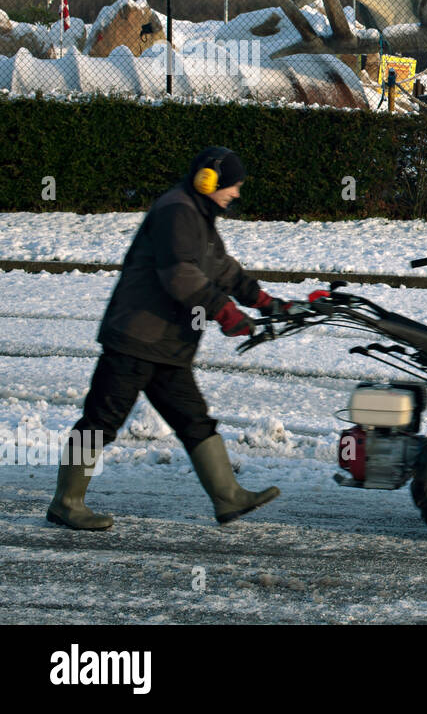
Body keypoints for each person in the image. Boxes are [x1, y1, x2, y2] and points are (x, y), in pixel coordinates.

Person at [47, 146, 283, 530]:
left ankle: (228, 497)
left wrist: (264, 301)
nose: (237, 194)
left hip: (169, 346)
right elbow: (180, 274)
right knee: (102, 420)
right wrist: (225, 312)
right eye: (234, 186)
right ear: (209, 181)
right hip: (135, 339)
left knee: (195, 420)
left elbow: (220, 268)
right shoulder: (176, 210)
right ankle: (66, 502)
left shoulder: (199, 217)